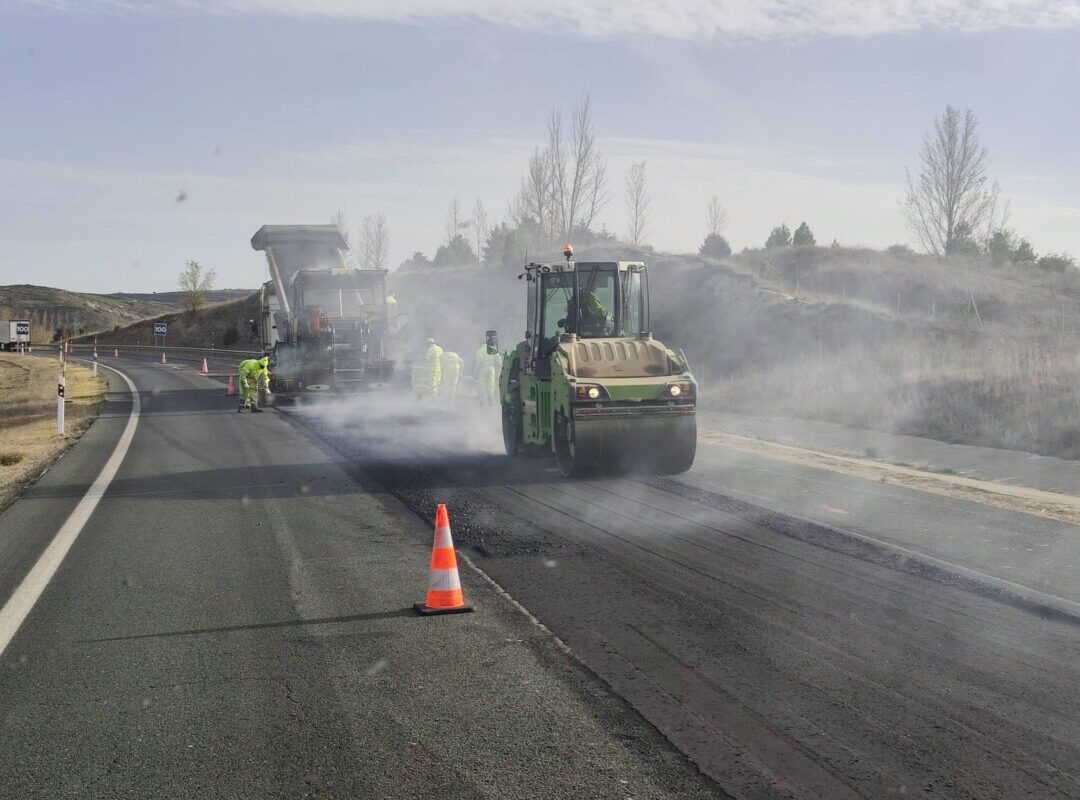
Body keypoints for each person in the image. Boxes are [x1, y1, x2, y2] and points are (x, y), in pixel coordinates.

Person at [475, 335, 501, 405]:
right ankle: (491, 401)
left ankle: (482, 402)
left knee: (482, 386)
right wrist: (497, 372)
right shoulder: (492, 349)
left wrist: (475, 373)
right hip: (492, 370)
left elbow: (478, 363)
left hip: (482, 370)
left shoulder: (480, 351)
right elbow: (498, 361)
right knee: (490, 386)